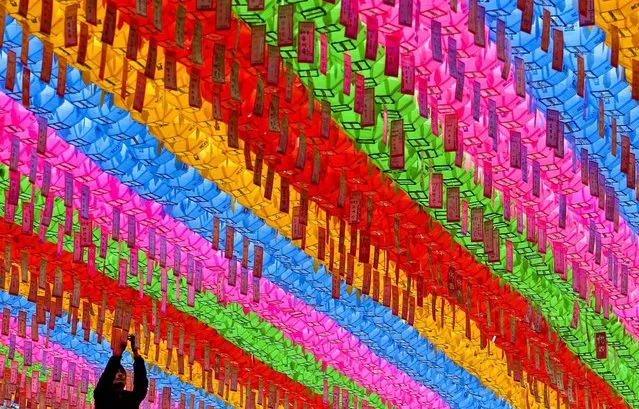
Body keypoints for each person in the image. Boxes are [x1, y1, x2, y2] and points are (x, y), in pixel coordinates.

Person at [94, 335, 149, 409]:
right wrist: (117, 355)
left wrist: (135, 352)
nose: (120, 374)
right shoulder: (102, 395)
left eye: (122, 373)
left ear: (126, 381)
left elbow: (141, 384)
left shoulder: (131, 399)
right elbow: (106, 376)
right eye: (117, 372)